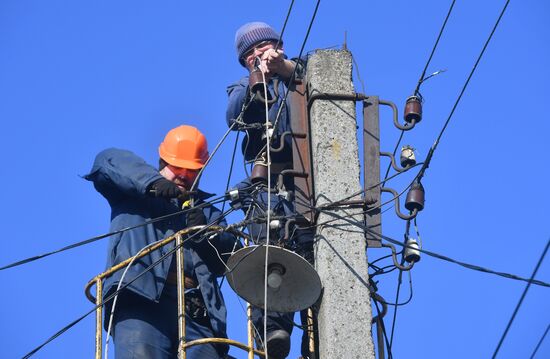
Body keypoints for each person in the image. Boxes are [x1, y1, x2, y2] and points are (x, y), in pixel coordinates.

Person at [85, 125, 240, 359]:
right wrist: (152, 183)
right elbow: (106, 161)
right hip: (142, 305)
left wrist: (206, 233)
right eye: (177, 167)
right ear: (162, 161)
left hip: (196, 316)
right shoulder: (134, 193)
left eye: (191, 171)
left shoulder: (207, 213)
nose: (183, 175)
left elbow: (231, 259)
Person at [226, 22, 314, 359]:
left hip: (308, 185)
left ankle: (314, 338)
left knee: (310, 251)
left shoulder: (303, 68)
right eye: (248, 55)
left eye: (260, 49)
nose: (255, 57)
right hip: (270, 185)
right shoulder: (242, 85)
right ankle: (272, 332)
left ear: (277, 44)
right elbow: (233, 116)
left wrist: (285, 69)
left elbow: (319, 77)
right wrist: (256, 81)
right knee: (268, 248)